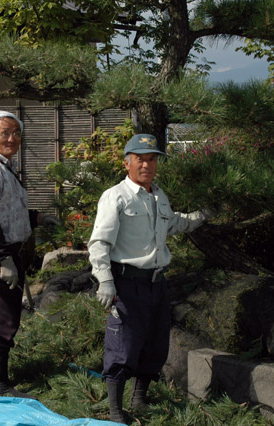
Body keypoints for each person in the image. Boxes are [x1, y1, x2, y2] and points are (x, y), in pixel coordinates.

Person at [87, 133, 214, 423]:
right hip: (127, 284)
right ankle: (116, 410)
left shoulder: (158, 196)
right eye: (140, 159)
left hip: (156, 283)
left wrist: (203, 215)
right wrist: (105, 281)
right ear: (127, 163)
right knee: (123, 346)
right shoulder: (116, 197)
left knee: (155, 344)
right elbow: (99, 243)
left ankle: (139, 399)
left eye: (152, 159)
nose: (146, 165)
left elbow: (174, 223)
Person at [0, 110, 59, 399]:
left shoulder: (7, 168)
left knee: (5, 318)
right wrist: (4, 260)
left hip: (10, 252)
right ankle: (1, 386)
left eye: (16, 133)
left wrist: (39, 218)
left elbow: (9, 212)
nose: (11, 138)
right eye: (4, 133)